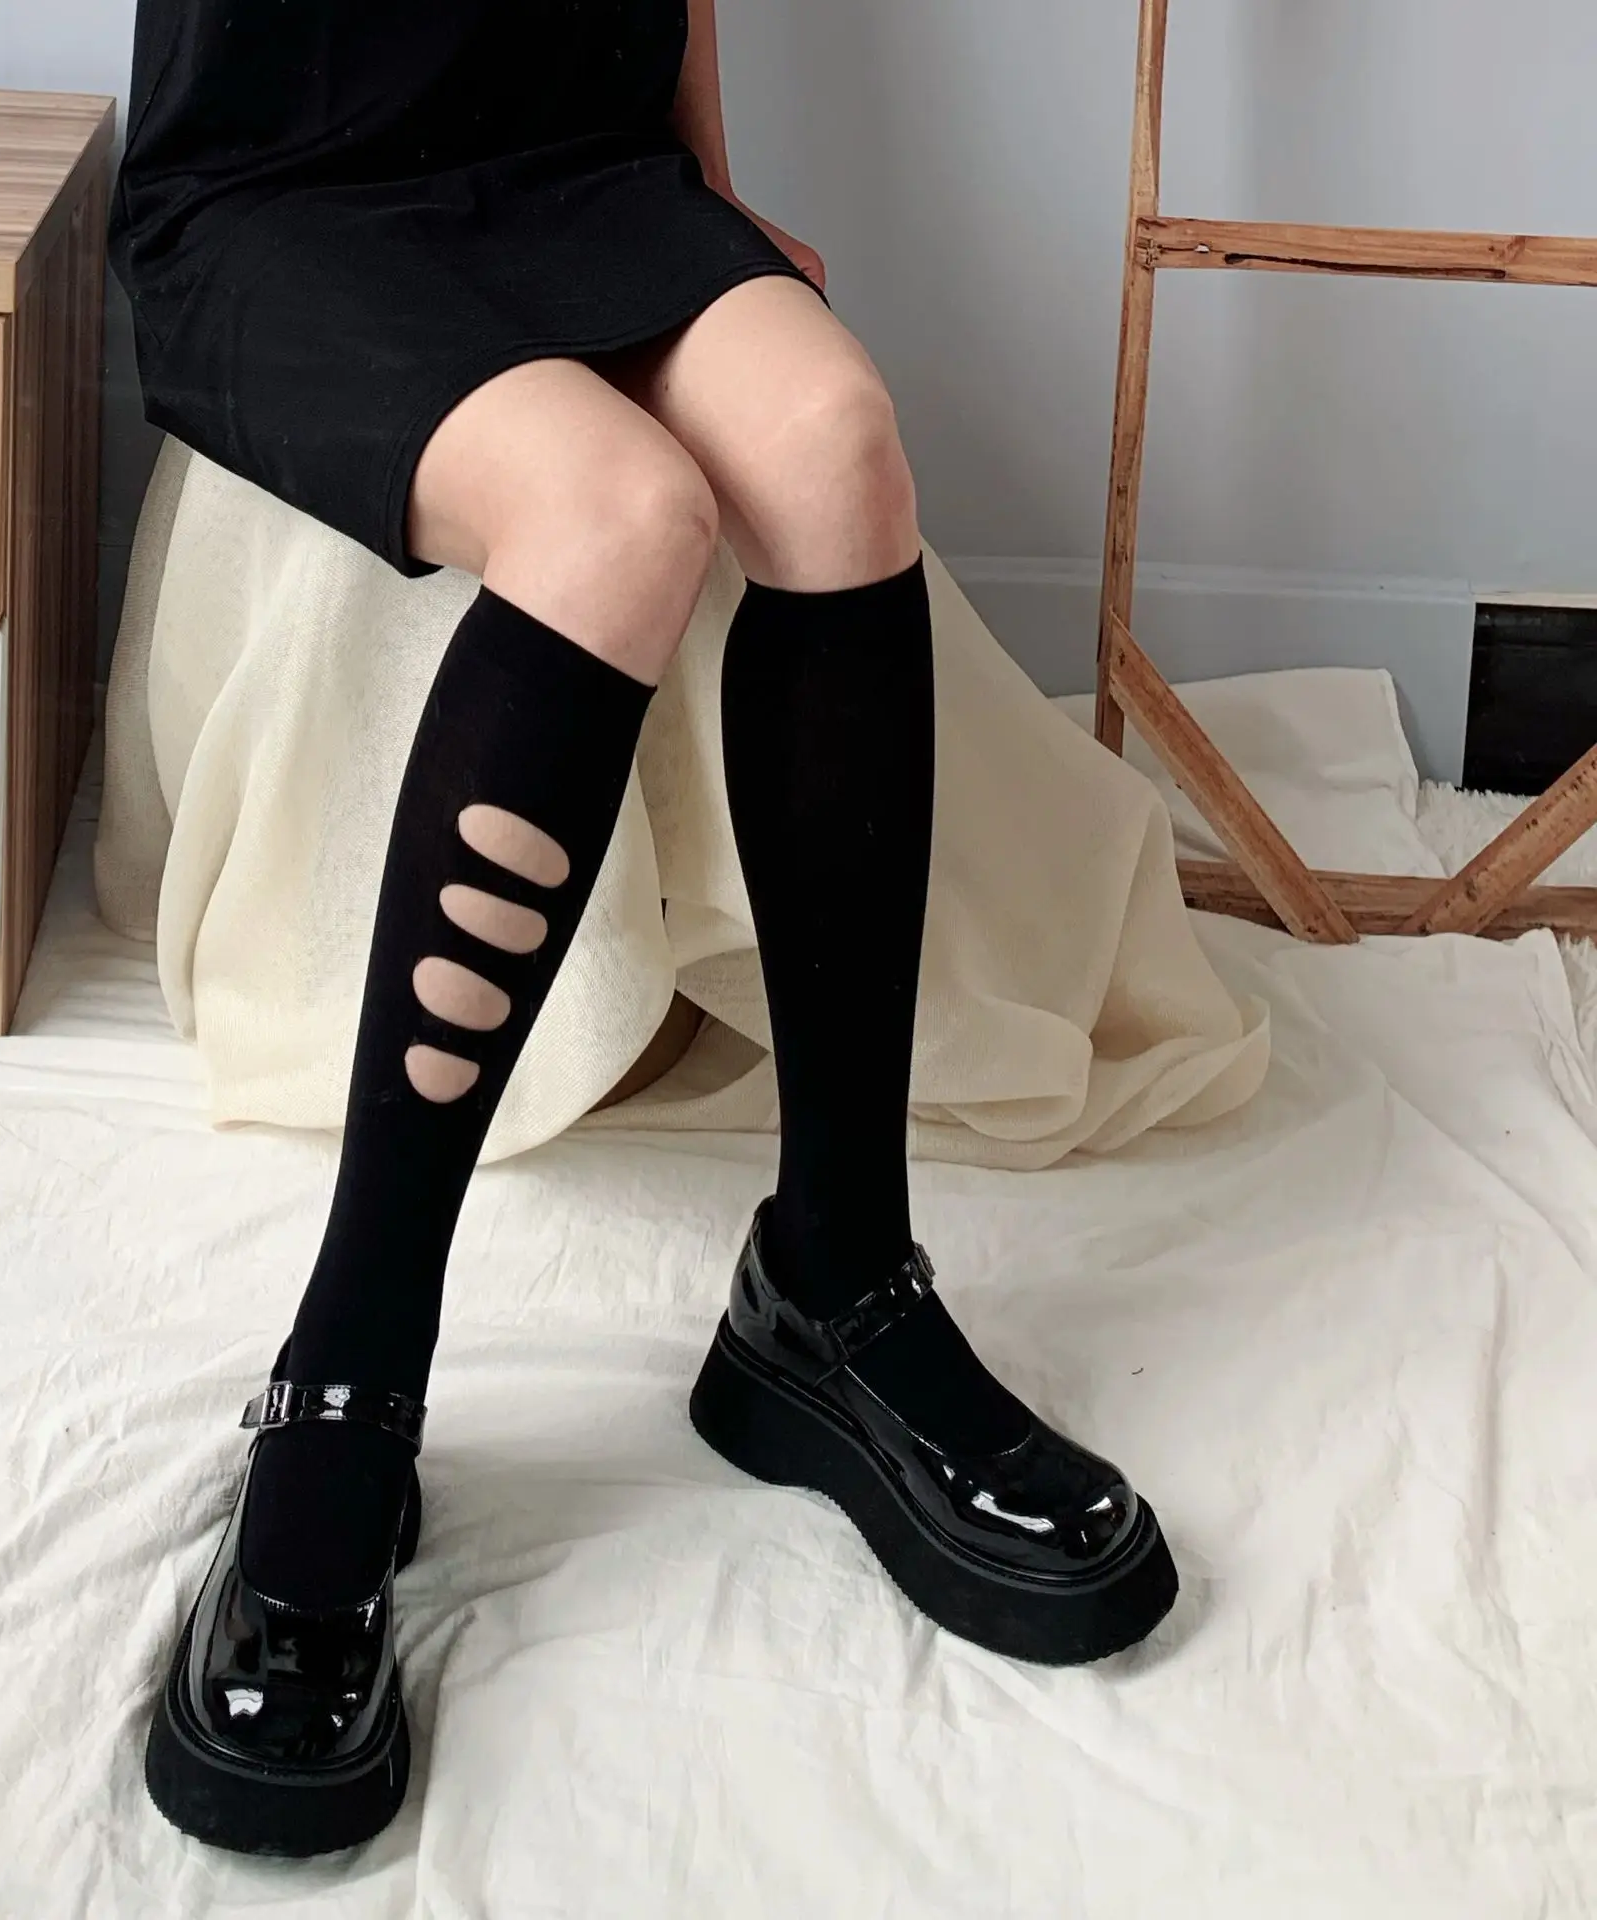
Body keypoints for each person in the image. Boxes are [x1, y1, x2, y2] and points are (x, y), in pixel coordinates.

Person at [112, 0, 1177, 1859]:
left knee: (837, 445)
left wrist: (706, 191)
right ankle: (351, 1370)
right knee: (617, 515)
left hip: (581, 165)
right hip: (285, 187)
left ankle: (834, 1284)